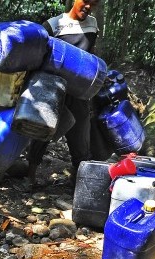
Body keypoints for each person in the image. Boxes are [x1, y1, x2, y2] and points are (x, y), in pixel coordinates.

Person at [25, 0, 103, 186]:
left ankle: (79, 182)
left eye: (94, 3)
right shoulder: (53, 25)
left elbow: (91, 54)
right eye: (85, 1)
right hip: (54, 88)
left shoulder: (93, 25)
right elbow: (39, 58)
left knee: (81, 134)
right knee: (42, 130)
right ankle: (30, 177)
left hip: (79, 90)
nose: (88, 6)